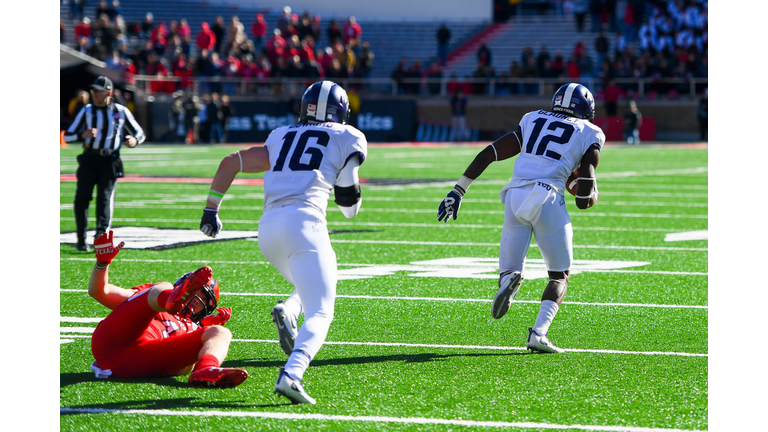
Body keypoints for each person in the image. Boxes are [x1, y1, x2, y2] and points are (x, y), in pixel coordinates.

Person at [199, 80, 367, 404]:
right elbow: (348, 208)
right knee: (321, 310)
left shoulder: (280, 136)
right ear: (341, 111)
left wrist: (211, 208)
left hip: (268, 229)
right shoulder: (348, 136)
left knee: (322, 279)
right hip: (305, 224)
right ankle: (293, 373)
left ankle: (289, 310)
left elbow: (230, 161)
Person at [437, 82, 604, 354]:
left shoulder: (532, 118)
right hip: (548, 197)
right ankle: (539, 333)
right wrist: (591, 193)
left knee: (509, 269)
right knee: (559, 276)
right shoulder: (590, 132)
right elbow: (584, 200)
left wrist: (459, 189)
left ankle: (509, 281)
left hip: (514, 194)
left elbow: (490, 152)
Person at [88, 231, 248, 387]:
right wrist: (102, 265)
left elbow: (182, 368)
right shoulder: (155, 294)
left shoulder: (194, 328)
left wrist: (202, 332)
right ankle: (170, 299)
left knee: (221, 332)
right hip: (112, 343)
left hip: (141, 361)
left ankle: (205, 370)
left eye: (201, 297)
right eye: (192, 289)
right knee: (161, 286)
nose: (193, 298)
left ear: (207, 309)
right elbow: (100, 292)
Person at [63, 76, 146, 252]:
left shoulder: (120, 111)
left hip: (110, 161)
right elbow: (67, 136)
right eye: (92, 91)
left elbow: (140, 132)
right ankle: (80, 238)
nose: (94, 94)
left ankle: (100, 239)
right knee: (82, 198)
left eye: (98, 92)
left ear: (108, 93)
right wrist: (82, 135)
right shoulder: (86, 111)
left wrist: (134, 140)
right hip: (89, 159)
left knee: (105, 200)